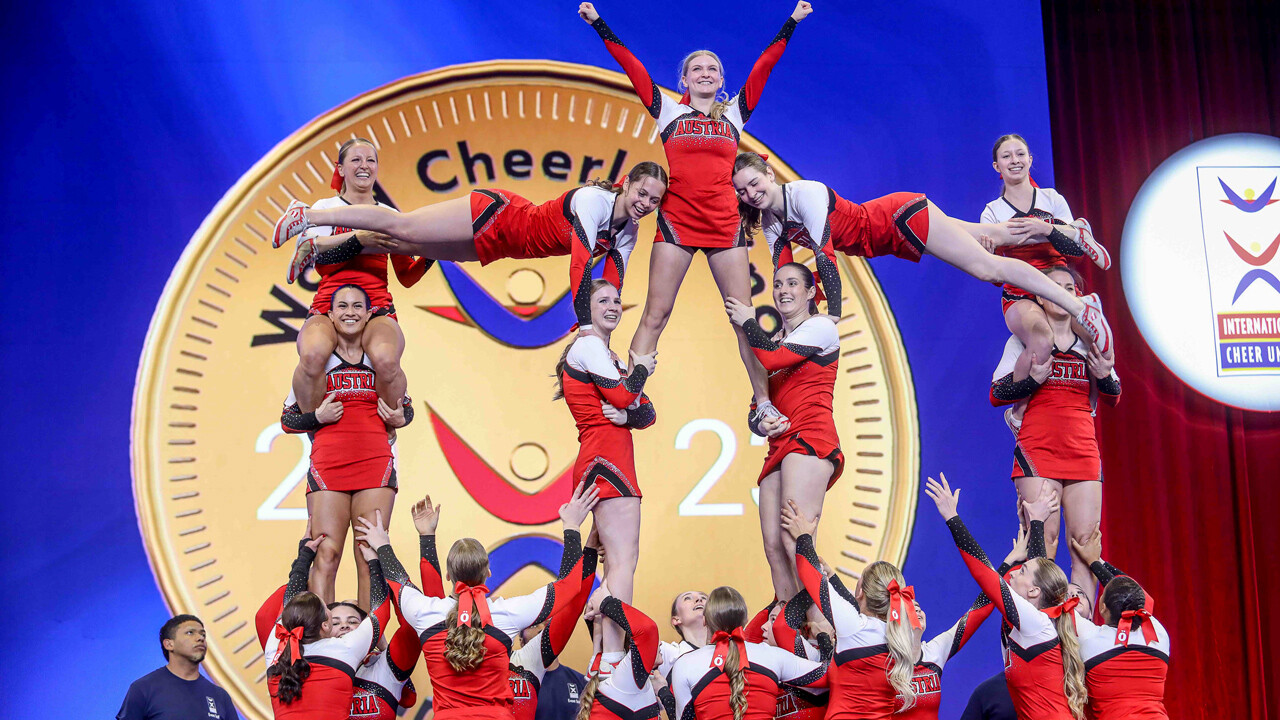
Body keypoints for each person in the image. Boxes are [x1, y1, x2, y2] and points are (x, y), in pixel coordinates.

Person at [578, 1, 814, 417]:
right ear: (685, 79)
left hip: (725, 227)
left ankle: (763, 404)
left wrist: (791, 22)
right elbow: (631, 66)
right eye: (697, 69)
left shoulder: (734, 116)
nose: (705, 74)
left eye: (713, 70)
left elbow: (764, 66)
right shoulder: (669, 111)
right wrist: (599, 23)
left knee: (744, 319)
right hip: (677, 223)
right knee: (656, 313)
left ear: (721, 80)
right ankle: (630, 398)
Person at [729, 151, 1113, 354]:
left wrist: (830, 319)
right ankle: (1073, 234)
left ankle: (1082, 308)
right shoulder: (771, 223)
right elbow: (787, 280)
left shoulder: (804, 193)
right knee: (994, 234)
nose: (750, 195)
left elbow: (826, 261)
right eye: (742, 192)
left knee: (987, 267)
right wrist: (785, 331)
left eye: (753, 184)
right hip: (891, 233)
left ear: (768, 172)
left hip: (899, 219)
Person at [274, 161, 668, 329]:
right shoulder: (593, 201)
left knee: (402, 249)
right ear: (627, 183)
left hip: (501, 247)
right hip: (499, 214)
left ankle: (320, 248)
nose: (645, 205)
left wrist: (604, 328)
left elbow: (611, 285)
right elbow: (581, 266)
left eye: (654, 201)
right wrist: (585, 323)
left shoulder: (627, 233)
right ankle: (308, 216)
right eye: (642, 193)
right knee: (405, 226)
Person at [360, 484, 598, 720]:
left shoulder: (427, 611)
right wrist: (572, 526)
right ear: (488, 573)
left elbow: (398, 581)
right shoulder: (507, 614)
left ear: (449, 576)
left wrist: (384, 545)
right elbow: (569, 586)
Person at [990, 266, 1120, 601]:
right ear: (1040, 297)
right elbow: (996, 394)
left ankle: (1079, 638)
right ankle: (1039, 640)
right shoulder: (1024, 341)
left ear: (1077, 298)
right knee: (1042, 547)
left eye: (1069, 288)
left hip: (1083, 451)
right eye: (1053, 287)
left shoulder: (1091, 342)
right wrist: (1032, 379)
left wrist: (1104, 374)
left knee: (1085, 548)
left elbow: (1114, 396)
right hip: (1039, 450)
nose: (1062, 293)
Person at [280, 284, 414, 608]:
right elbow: (287, 420)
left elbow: (406, 410)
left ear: (370, 314)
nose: (350, 312)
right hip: (329, 466)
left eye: (357, 306)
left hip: (374, 463)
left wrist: (400, 417)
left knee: (370, 555)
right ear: (329, 314)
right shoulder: (317, 364)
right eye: (342, 306)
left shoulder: (381, 359)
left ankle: (371, 646)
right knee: (325, 553)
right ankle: (323, 643)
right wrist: (317, 416)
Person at [278, 138, 430, 419]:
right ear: (340, 168)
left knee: (386, 361)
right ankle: (316, 430)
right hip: (329, 307)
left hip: (377, 309)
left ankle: (387, 428)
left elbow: (406, 276)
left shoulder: (389, 215)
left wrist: (433, 253)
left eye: (370, 160)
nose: (364, 166)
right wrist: (359, 240)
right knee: (311, 356)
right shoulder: (324, 207)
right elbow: (317, 258)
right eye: (356, 160)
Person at [925, 475, 1088, 720]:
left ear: (1034, 592)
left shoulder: (1037, 624)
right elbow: (1035, 572)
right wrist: (1035, 522)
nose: (1011, 576)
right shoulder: (1030, 624)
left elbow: (986, 576)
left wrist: (952, 517)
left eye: (1020, 572)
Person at [555, 279, 656, 661]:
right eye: (603, 300)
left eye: (617, 300)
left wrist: (628, 412)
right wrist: (641, 370)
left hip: (609, 459)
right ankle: (614, 657)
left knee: (617, 564)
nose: (613, 306)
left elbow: (646, 413)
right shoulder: (589, 346)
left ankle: (602, 653)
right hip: (606, 459)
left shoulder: (605, 355)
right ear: (587, 308)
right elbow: (626, 394)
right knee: (623, 563)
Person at [725, 263, 839, 601]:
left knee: (796, 538)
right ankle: (793, 627)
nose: (783, 290)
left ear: (810, 293)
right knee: (774, 546)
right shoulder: (776, 339)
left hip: (809, 438)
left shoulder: (820, 328)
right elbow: (754, 408)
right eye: (777, 284)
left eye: (792, 283)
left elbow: (774, 361)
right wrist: (763, 420)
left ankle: (822, 626)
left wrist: (747, 320)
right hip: (779, 445)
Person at [981, 134, 1111, 428]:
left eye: (1020, 154)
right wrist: (989, 252)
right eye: (1006, 156)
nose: (1014, 160)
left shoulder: (1052, 199)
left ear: (1030, 160)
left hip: (1057, 287)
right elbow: (991, 275)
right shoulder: (992, 212)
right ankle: (1017, 416)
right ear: (996, 166)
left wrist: (1045, 228)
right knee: (1041, 338)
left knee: (1093, 340)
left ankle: (1088, 411)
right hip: (1020, 292)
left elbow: (1074, 251)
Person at [780, 501, 921, 719]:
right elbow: (852, 606)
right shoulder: (900, 635)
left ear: (861, 591)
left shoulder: (855, 627)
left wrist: (803, 535)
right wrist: (833, 578)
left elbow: (809, 574)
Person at [256, 527, 392, 719]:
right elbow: (381, 612)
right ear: (325, 626)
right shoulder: (344, 648)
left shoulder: (276, 648)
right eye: (329, 611)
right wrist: (375, 560)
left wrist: (304, 556)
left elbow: (289, 603)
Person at [670, 586, 828, 720]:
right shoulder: (772, 655)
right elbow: (829, 674)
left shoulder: (684, 664)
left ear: (705, 620)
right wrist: (823, 637)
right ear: (745, 620)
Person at [1069, 529, 1171, 719]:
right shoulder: (1159, 633)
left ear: (1102, 608)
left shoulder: (1090, 638)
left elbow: (1054, 600)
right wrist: (1096, 561)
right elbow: (1135, 593)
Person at [116, 615, 240, 720]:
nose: (200, 638)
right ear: (169, 644)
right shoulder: (143, 688)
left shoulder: (220, 696)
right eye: (190, 633)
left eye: (203, 634)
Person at [659, 590, 708, 678]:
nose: (699, 599)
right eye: (687, 598)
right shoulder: (666, 652)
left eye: (704, 598)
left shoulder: (728, 650)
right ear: (676, 619)